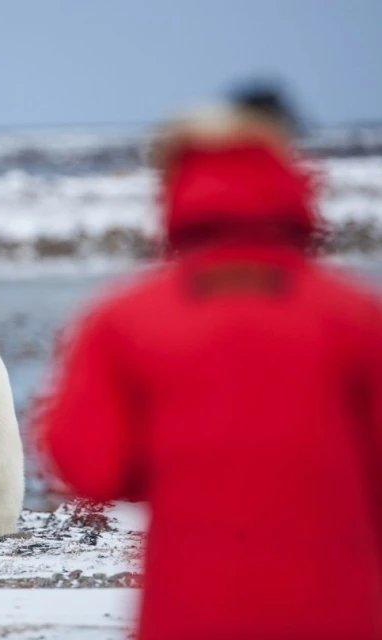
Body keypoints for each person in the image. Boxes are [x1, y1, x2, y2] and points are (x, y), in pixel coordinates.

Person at [37, 99, 382, 639]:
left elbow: (87, 466)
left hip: (191, 612)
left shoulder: (124, 320)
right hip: (337, 613)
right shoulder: (357, 317)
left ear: (175, 185)